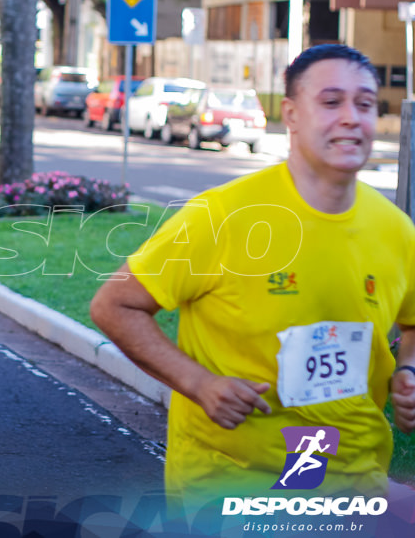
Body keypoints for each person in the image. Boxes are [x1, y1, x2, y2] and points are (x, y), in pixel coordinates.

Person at [90, 44, 415, 509]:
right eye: (330, 101)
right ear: (291, 114)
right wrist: (199, 384)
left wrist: (408, 369)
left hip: (353, 486)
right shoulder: (224, 216)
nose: (351, 117)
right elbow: (114, 305)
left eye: (364, 104)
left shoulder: (396, 230)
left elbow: (412, 320)